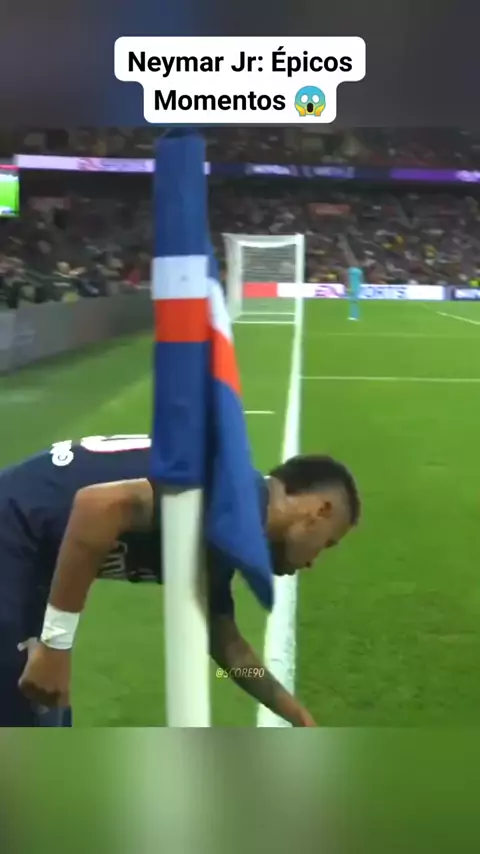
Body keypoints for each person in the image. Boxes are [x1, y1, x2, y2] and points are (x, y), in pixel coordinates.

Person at [1, 434, 360, 727]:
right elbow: (96, 506)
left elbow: (230, 651)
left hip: (27, 556)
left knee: (45, 707)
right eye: (328, 543)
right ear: (319, 511)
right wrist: (56, 645)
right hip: (13, 532)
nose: (314, 561)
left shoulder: (229, 526)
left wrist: (298, 717)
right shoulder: (231, 495)